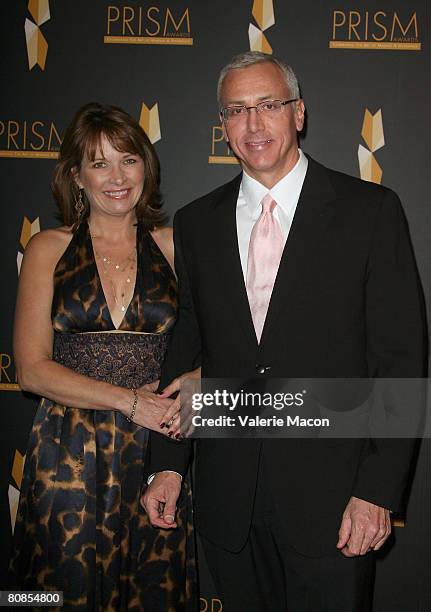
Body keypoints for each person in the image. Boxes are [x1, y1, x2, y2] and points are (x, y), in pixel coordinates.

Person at [142, 52, 426, 610]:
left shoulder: (369, 211)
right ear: (222, 125)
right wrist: (168, 465)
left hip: (335, 501)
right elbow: (188, 345)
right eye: (236, 110)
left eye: (268, 105)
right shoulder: (198, 222)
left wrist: (376, 491)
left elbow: (400, 360)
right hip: (230, 502)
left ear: (298, 113)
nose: (253, 125)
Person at [9, 103, 196, 611]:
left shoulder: (180, 247)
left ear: (146, 168)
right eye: (99, 163)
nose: (117, 177)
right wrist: (127, 401)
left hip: (157, 452)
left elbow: (225, 336)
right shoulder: (48, 248)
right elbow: (29, 369)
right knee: (48, 593)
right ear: (76, 176)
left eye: (128, 160)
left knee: (153, 591)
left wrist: (200, 376)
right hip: (65, 452)